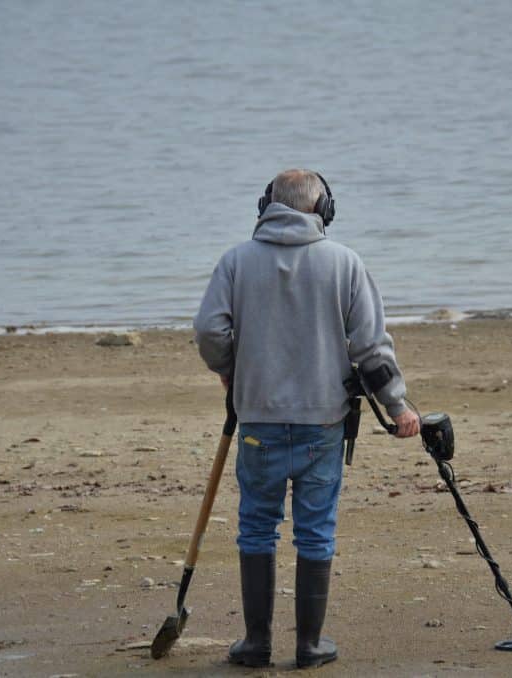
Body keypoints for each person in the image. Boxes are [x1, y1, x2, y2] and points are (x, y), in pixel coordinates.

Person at [194, 169, 419, 669]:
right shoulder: (345, 262)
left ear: (265, 206)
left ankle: (256, 644)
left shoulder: (236, 261)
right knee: (315, 531)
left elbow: (209, 331)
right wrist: (399, 408)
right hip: (323, 424)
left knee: (256, 528)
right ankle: (309, 646)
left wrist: (232, 372)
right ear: (324, 210)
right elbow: (372, 350)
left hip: (258, 421)